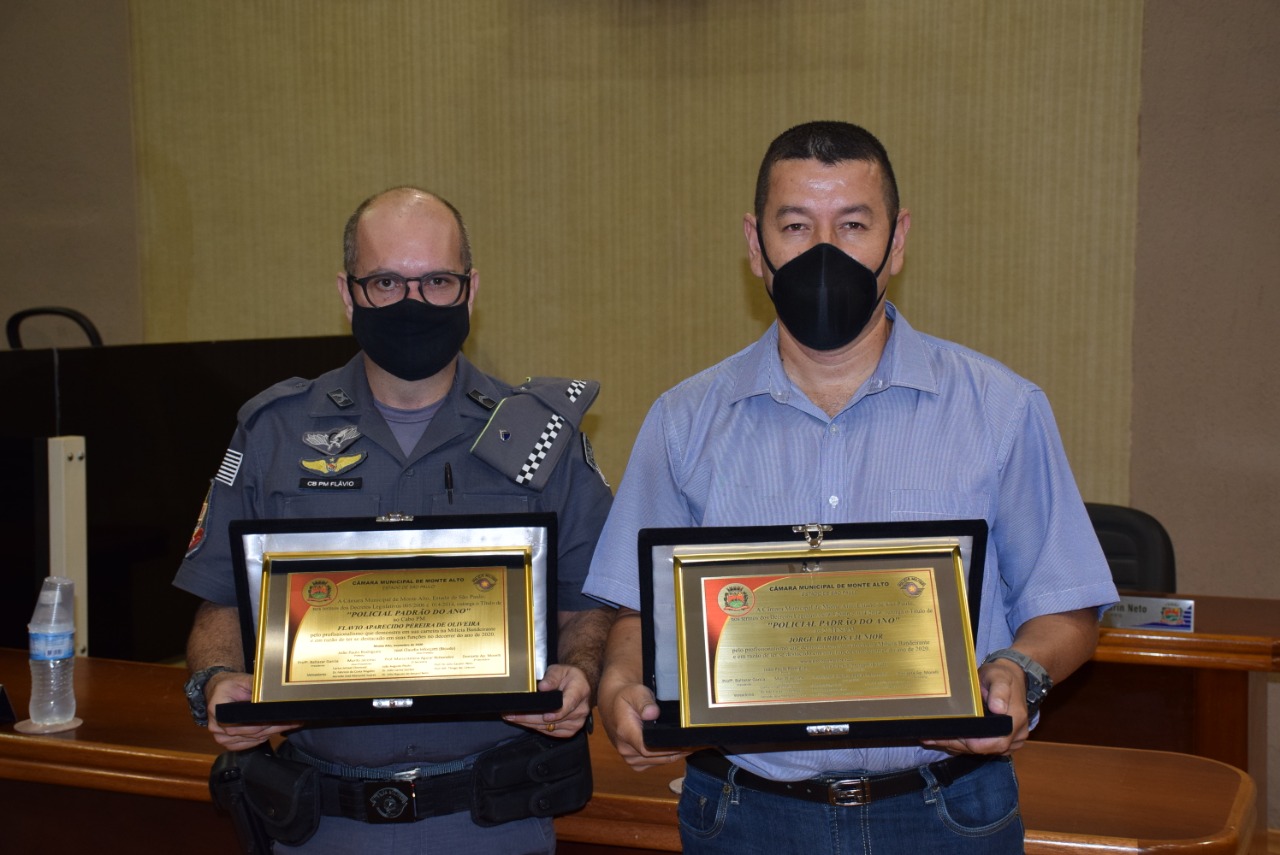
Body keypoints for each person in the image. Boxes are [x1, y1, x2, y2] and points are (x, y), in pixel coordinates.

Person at [583, 121, 1118, 854]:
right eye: (796, 226)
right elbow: (636, 611)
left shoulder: (1003, 408)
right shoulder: (683, 420)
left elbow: (1068, 607)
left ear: (896, 242)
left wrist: (1018, 669)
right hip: (745, 814)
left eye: (853, 225)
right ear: (755, 244)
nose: (824, 251)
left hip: (946, 812)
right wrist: (620, 684)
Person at [175, 186, 615, 853]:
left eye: (436, 280)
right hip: (320, 822)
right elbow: (222, 601)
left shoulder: (540, 435)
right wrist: (217, 681)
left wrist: (579, 672)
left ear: (470, 290)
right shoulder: (273, 432)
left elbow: (588, 606)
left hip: (491, 819)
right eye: (386, 282)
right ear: (348, 293)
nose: (414, 303)